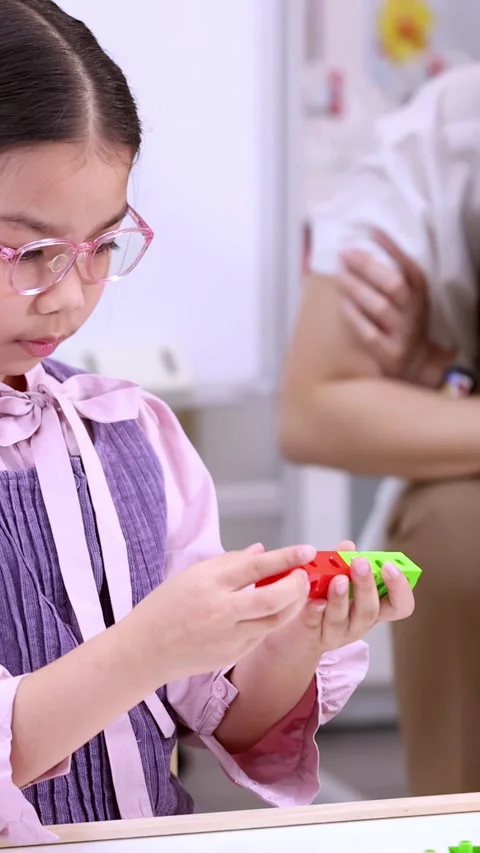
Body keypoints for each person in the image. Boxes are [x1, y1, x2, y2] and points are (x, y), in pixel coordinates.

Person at [0, 0, 417, 845]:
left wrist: (290, 644)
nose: (70, 295)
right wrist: (149, 646)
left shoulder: (128, 433)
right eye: (32, 252)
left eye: (102, 246)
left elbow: (217, 713)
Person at [280, 63, 480, 798]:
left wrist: (446, 385)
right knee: (456, 527)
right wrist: (453, 382)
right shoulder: (445, 134)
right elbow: (314, 409)